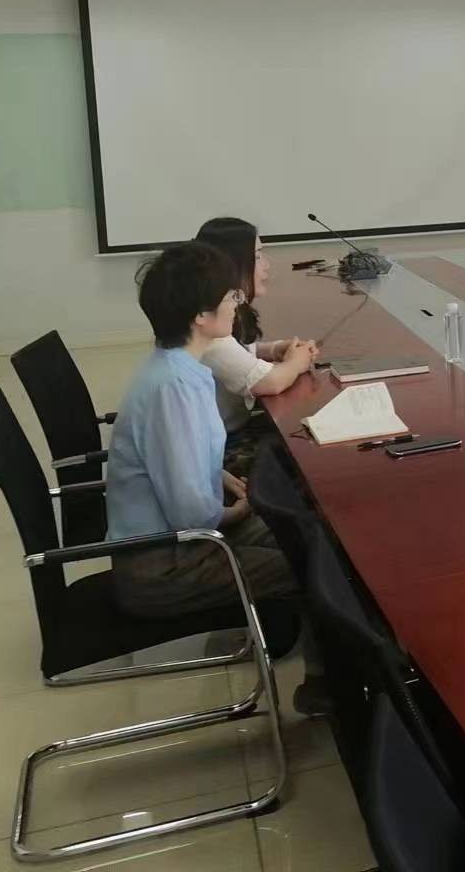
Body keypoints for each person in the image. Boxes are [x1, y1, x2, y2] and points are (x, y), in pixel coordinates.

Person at [106, 240, 327, 712]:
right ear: (201, 317)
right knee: (315, 560)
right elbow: (192, 514)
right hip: (165, 566)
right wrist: (243, 509)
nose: (237, 304)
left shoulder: (178, 367)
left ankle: (324, 672)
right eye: (231, 297)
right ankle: (326, 688)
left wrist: (222, 477)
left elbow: (177, 462)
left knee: (310, 532)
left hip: (182, 541)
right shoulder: (175, 389)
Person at [194, 217, 318, 470]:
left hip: (231, 431)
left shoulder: (219, 309)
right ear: (232, 263)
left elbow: (238, 351)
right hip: (218, 449)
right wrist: (296, 363)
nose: (266, 264)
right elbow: (269, 382)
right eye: (258, 256)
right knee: (307, 451)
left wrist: (273, 349)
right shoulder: (209, 328)